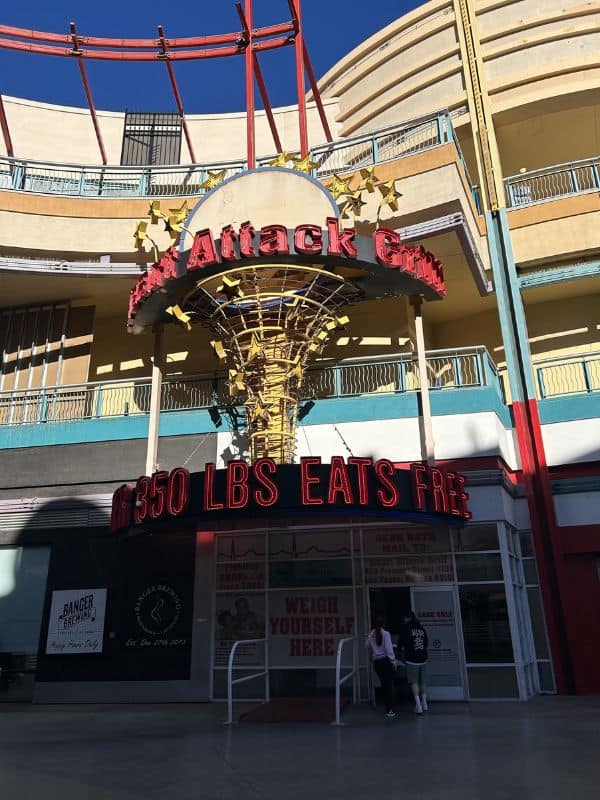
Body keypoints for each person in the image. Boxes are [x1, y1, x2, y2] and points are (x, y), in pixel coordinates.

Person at [399, 611, 429, 714]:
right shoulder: (421, 628)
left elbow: (401, 642)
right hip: (423, 658)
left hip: (412, 659)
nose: (403, 620)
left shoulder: (406, 628)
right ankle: (425, 703)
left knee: (414, 682)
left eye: (404, 618)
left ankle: (418, 705)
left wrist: (400, 650)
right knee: (423, 681)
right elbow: (426, 643)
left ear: (408, 618)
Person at [366, 616, 397, 718]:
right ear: (384, 624)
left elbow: (367, 646)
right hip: (385, 661)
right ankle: (389, 709)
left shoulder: (371, 634)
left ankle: (388, 708)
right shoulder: (386, 634)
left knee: (384, 685)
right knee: (389, 686)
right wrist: (393, 662)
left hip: (377, 663)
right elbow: (389, 650)